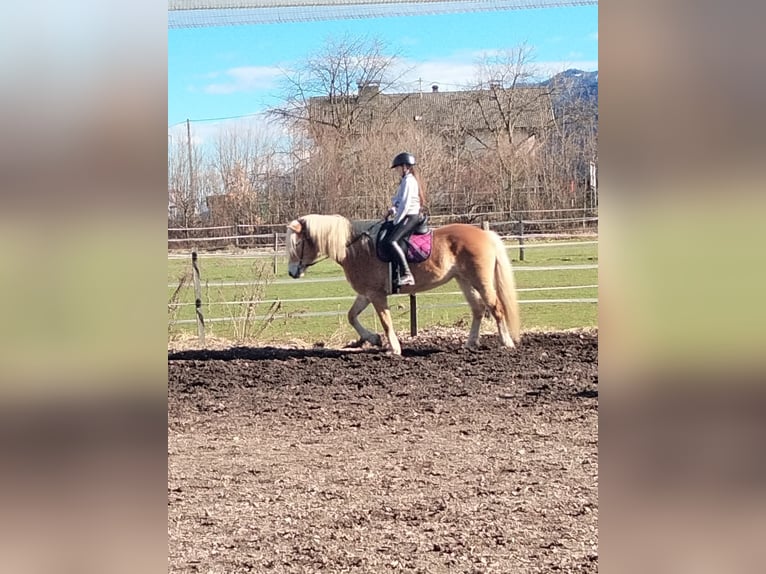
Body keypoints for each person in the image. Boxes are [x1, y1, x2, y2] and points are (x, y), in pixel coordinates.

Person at [385, 152, 427, 287]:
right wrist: (392, 210)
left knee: (391, 241)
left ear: (404, 166)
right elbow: (399, 201)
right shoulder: (405, 181)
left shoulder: (409, 181)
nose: (397, 171)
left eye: (397, 168)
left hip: (410, 216)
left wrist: (397, 220)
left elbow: (406, 204)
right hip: (406, 214)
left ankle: (407, 274)